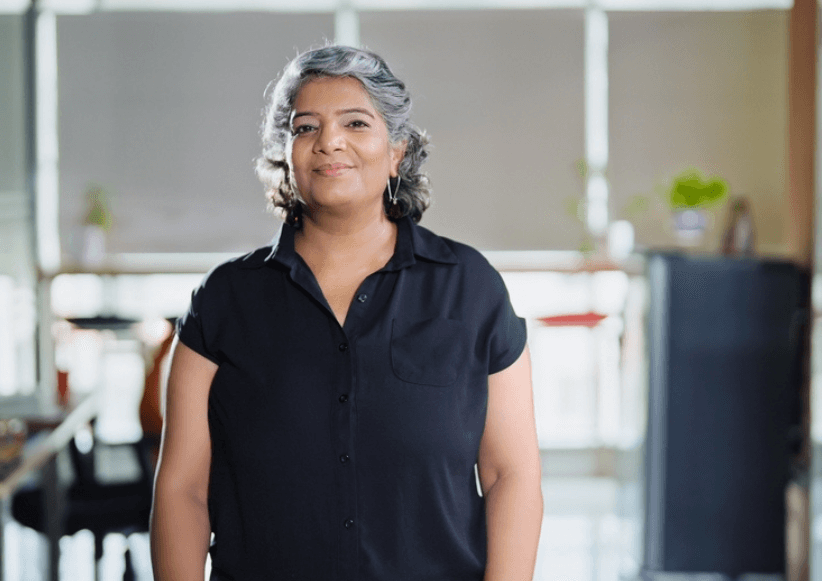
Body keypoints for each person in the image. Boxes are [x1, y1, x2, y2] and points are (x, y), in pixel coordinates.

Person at [151, 44, 542, 581]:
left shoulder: (471, 288)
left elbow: (510, 475)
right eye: (305, 127)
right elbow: (184, 490)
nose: (329, 141)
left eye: (356, 122)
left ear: (397, 151)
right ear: (286, 155)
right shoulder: (223, 300)